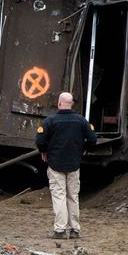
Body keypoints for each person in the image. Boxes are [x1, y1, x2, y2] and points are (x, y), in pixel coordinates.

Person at [36, 92, 97, 239]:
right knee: (73, 197)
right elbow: (93, 139)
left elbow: (40, 140)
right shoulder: (82, 121)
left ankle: (60, 230)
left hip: (55, 163)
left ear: (59, 103)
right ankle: (75, 230)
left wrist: (44, 151)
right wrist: (83, 149)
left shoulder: (50, 121)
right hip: (74, 163)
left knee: (59, 197)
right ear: (72, 104)